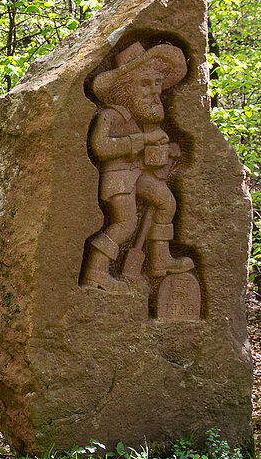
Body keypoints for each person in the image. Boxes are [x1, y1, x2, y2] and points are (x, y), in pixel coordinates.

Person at [80, 41, 193, 292]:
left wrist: (165, 151)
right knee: (125, 224)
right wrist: (142, 141)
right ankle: (96, 272)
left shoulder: (141, 121)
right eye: (145, 84)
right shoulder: (109, 116)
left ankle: (159, 258)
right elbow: (101, 147)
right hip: (118, 178)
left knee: (166, 201)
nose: (154, 91)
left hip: (137, 175)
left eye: (157, 84)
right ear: (125, 89)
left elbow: (145, 155)